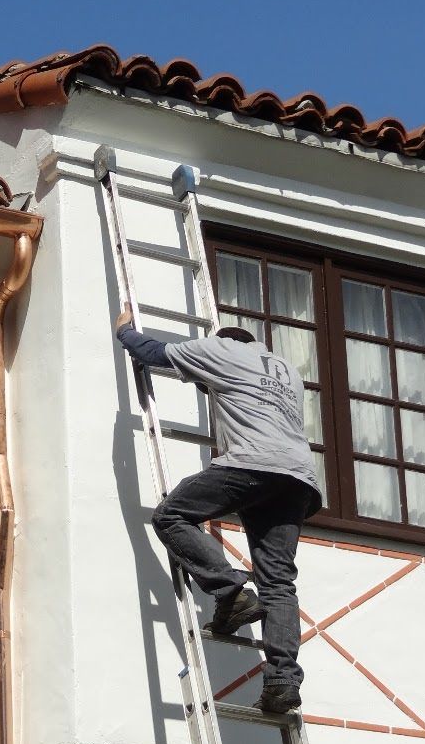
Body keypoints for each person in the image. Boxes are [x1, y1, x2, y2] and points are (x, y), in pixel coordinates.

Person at [115, 304, 322, 713]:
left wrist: (124, 331)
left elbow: (152, 353)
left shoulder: (220, 350)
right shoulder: (285, 371)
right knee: (278, 582)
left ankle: (229, 589)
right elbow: (230, 394)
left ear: (224, 342)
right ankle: (282, 681)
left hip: (252, 464)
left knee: (171, 515)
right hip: (297, 479)